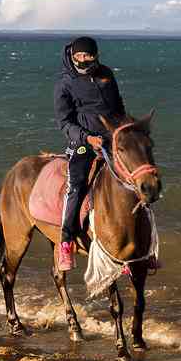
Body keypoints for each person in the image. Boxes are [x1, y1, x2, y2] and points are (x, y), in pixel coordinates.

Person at [53, 36, 126, 270]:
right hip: (83, 141)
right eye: (79, 56)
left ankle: (143, 244)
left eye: (88, 56)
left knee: (135, 177)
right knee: (77, 185)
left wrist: (123, 130)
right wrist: (87, 137)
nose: (83, 60)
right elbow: (65, 123)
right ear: (73, 56)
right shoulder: (64, 83)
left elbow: (118, 107)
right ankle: (66, 242)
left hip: (110, 137)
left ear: (96, 55)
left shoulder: (106, 74)